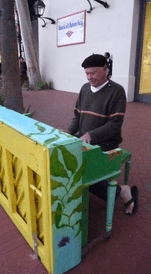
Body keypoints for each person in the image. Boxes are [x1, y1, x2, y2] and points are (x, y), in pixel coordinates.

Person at [60, 54, 138, 215]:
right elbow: (78, 117)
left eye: (93, 73)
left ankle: (122, 191)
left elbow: (115, 124)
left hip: (106, 142)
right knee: (62, 157)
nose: (89, 77)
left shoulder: (117, 91)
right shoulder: (84, 88)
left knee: (82, 170)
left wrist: (91, 134)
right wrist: (69, 131)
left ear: (105, 69)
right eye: (87, 74)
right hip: (84, 139)